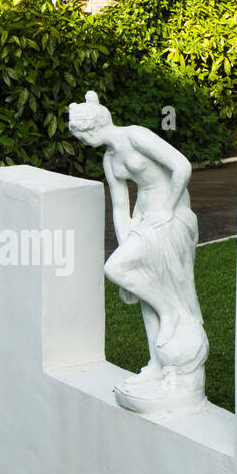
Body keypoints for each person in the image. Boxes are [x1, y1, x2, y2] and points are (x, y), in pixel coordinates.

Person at [68, 91, 208, 414]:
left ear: (94, 127)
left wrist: (168, 209)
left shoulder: (136, 135)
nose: (81, 140)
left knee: (115, 269)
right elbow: (120, 207)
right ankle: (157, 365)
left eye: (80, 133)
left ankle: (172, 312)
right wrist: (127, 240)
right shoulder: (109, 160)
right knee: (140, 288)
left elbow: (181, 167)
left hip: (169, 217)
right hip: (145, 221)